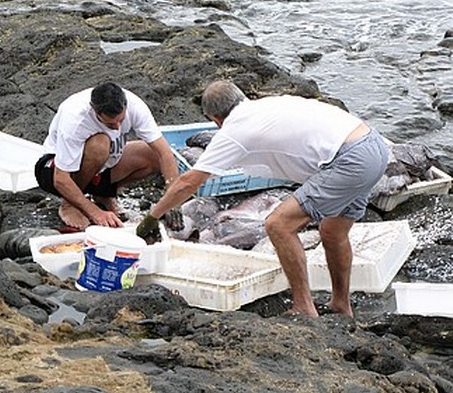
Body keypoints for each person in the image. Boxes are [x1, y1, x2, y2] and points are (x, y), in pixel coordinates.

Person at [137, 80, 388, 318]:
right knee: (333, 231)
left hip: (349, 160)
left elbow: (189, 181)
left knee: (278, 225)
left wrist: (152, 216)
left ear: (215, 119)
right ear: (242, 97)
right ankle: (341, 305)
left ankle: (303, 306)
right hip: (373, 145)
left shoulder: (234, 129)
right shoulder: (264, 106)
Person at [34, 82, 181, 229]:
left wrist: (173, 199)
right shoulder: (76, 118)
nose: (117, 127)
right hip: (53, 170)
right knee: (100, 144)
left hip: (102, 167)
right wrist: (95, 212)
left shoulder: (135, 106)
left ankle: (103, 194)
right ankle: (69, 204)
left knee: (153, 155)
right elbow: (60, 179)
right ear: (94, 111)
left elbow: (164, 153)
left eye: (121, 120)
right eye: (110, 125)